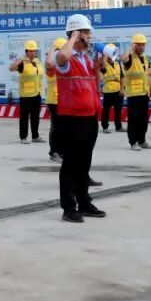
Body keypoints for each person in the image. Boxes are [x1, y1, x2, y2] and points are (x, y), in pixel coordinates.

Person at [54, 15, 106, 223]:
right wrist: (73, 37)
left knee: (84, 162)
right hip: (72, 118)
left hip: (89, 115)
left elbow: (95, 82)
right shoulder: (64, 55)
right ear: (75, 33)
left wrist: (99, 65)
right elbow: (61, 58)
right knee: (70, 164)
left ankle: (84, 202)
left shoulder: (85, 57)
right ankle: (68, 207)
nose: (89, 36)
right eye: (86, 32)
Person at [121, 33, 151, 151]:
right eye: (139, 45)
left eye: (143, 45)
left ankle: (142, 140)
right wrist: (130, 49)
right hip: (134, 95)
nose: (142, 47)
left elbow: (148, 76)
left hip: (144, 94)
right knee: (134, 120)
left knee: (143, 120)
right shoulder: (130, 58)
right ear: (134, 45)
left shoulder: (145, 58)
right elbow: (123, 58)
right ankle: (133, 142)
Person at [10, 40, 43, 144]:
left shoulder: (37, 61)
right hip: (26, 95)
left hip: (37, 93)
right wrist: (20, 60)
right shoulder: (22, 63)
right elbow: (11, 68)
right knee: (24, 117)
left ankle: (35, 136)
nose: (33, 53)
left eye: (34, 51)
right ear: (26, 51)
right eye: (31, 51)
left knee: (35, 116)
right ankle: (23, 137)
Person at [44, 37, 67, 162]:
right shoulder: (52, 65)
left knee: (64, 127)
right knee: (56, 127)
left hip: (65, 100)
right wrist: (53, 49)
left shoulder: (66, 64)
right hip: (54, 100)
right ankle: (54, 152)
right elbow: (48, 64)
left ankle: (62, 151)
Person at [99, 44, 124, 134]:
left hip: (118, 89)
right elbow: (102, 66)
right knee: (106, 110)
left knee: (118, 109)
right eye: (110, 52)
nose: (112, 53)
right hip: (108, 90)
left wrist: (122, 89)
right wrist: (105, 53)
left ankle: (118, 126)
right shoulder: (103, 64)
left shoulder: (117, 64)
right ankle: (105, 127)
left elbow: (122, 77)